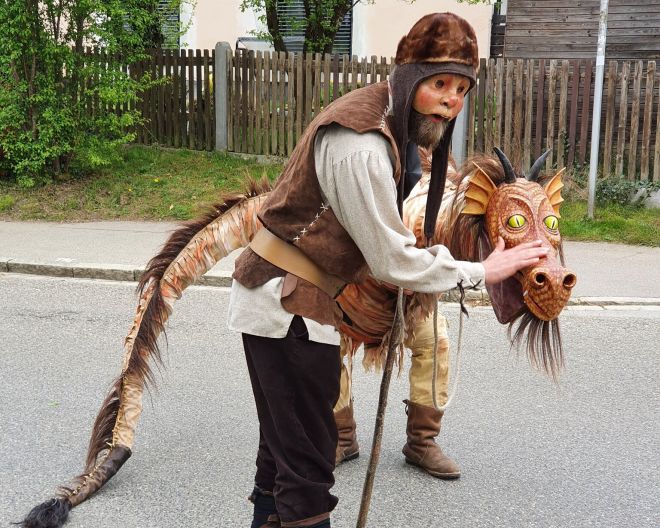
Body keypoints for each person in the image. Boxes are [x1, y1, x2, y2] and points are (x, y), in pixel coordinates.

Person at [228, 12, 549, 528]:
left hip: (299, 305)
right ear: (408, 80)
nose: (452, 99)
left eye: (462, 88)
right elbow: (391, 258)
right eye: (440, 83)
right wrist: (482, 269)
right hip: (286, 309)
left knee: (282, 454)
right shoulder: (361, 142)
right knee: (308, 467)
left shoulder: (388, 126)